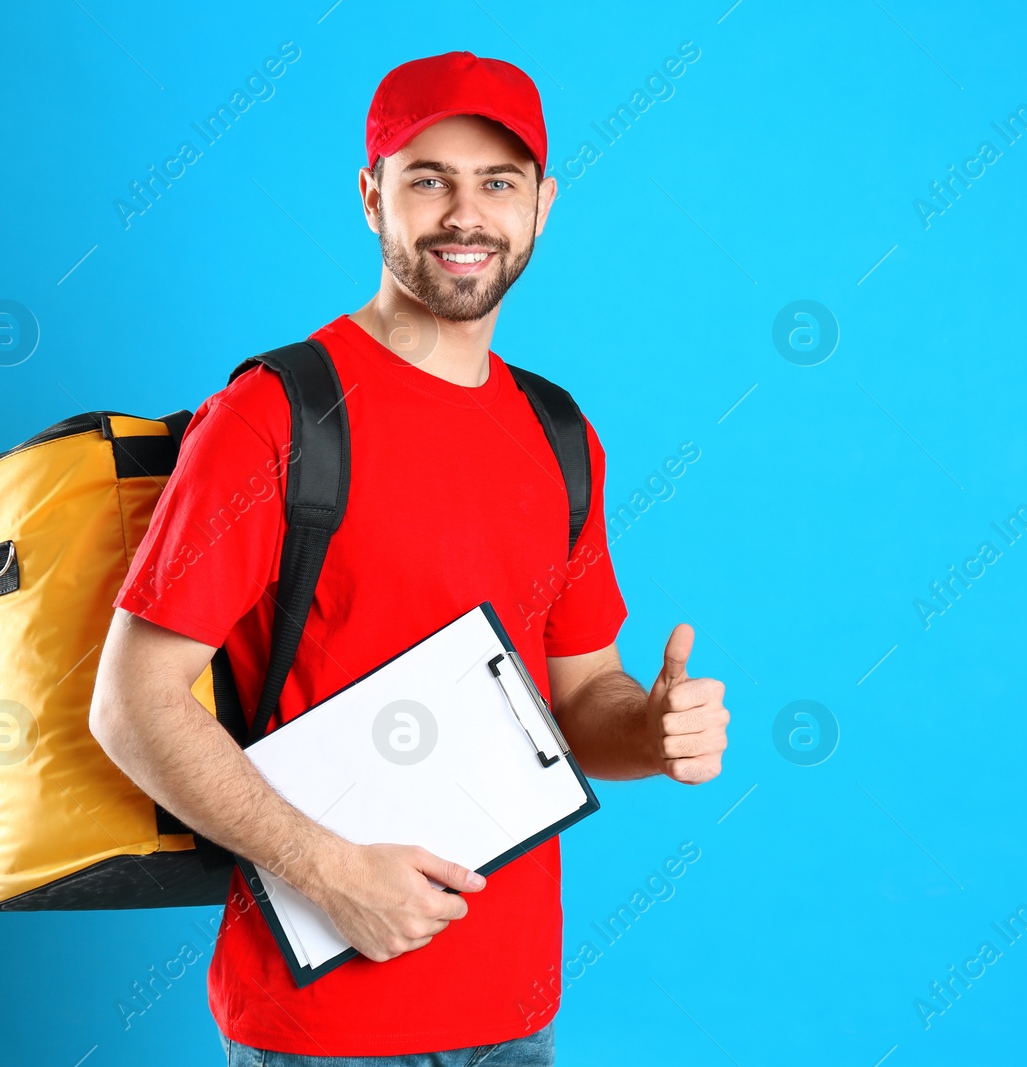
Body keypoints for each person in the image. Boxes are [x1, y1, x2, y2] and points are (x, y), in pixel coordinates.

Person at [88, 51, 731, 1066]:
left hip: (514, 1015)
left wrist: (648, 731)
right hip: (323, 1027)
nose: (463, 214)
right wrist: (328, 869)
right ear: (371, 195)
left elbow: (578, 697)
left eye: (498, 183)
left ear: (542, 206)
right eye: (428, 177)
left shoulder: (561, 433)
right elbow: (131, 701)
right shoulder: (275, 416)